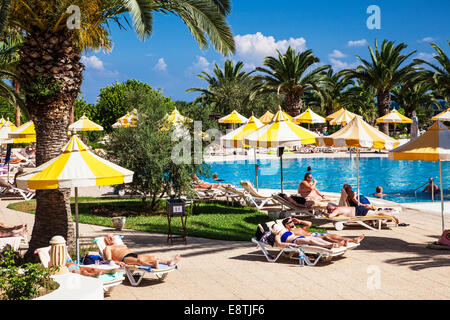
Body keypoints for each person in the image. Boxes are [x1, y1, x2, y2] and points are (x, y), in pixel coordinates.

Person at [103, 234, 181, 269]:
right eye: (108, 237)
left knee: (152, 257)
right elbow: (108, 260)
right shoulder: (108, 248)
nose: (111, 237)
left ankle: (169, 262)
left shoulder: (122, 245)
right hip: (124, 258)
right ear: (106, 241)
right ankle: (153, 264)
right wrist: (117, 262)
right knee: (139, 261)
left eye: (112, 236)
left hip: (133, 254)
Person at [281, 218, 365, 247]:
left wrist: (299, 220)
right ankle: (342, 243)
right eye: (290, 222)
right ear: (286, 225)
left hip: (315, 234)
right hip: (311, 237)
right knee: (327, 238)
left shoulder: (299, 228)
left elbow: (309, 224)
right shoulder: (289, 232)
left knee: (334, 235)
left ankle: (353, 240)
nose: (292, 223)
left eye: (292, 221)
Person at [324, 203, 399, 224]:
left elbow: (330, 216)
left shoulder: (336, 209)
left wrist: (325, 213)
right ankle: (391, 214)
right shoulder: (339, 208)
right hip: (358, 210)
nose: (329, 210)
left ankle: (393, 215)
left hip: (359, 212)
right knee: (378, 212)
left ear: (333, 207)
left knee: (379, 213)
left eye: (329, 209)